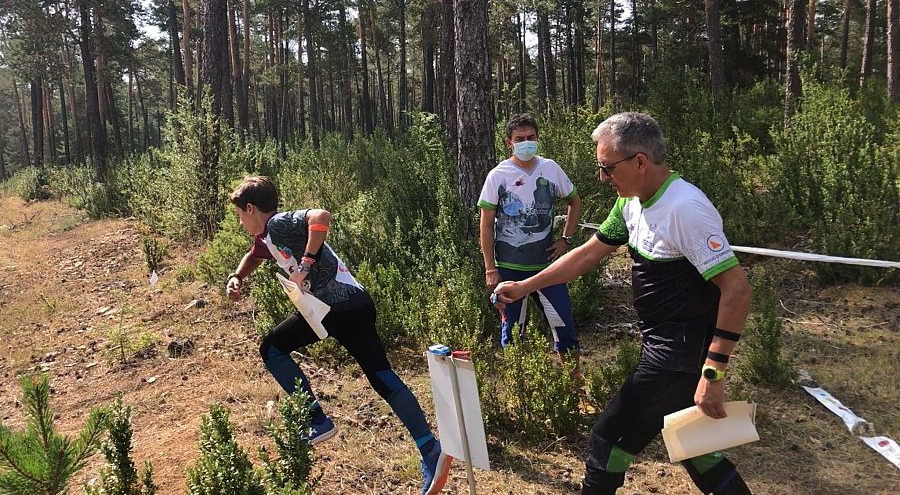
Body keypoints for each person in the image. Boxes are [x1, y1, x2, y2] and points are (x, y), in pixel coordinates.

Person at [493, 113, 754, 495]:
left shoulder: (685, 208)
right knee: (700, 453)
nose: (602, 177)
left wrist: (713, 372)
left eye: (606, 167)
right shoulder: (630, 203)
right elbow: (586, 255)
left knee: (606, 442)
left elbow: (737, 290)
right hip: (665, 349)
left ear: (640, 162)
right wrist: (525, 286)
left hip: (675, 357)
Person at [225, 176, 451, 495]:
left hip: (334, 309)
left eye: (239, 215)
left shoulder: (277, 223)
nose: (240, 221)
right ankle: (430, 448)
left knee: (271, 349)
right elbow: (254, 255)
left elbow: (321, 217)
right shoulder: (268, 236)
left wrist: (304, 266)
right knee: (383, 378)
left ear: (251, 208)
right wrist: (237, 277)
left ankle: (316, 419)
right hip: (356, 304)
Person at [478, 113, 583, 362]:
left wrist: (565, 238)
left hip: (548, 268)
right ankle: (519, 391)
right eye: (520, 138)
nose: (526, 143)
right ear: (508, 142)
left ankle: (574, 387)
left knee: (565, 328)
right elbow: (486, 224)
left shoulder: (550, 168)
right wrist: (490, 269)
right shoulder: (498, 175)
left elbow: (574, 202)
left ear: (538, 138)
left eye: (531, 137)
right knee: (513, 332)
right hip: (510, 267)